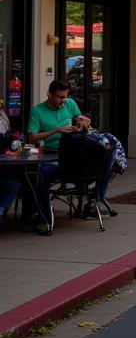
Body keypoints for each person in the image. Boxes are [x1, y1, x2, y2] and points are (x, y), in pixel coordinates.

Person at [25, 79, 82, 233]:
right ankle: (43, 216)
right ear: (49, 95)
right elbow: (32, 138)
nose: (64, 101)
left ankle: (92, 200)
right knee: (41, 173)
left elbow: (79, 119)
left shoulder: (70, 103)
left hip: (71, 154)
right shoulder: (38, 111)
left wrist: (83, 123)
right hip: (51, 153)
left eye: (65, 97)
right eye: (60, 97)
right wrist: (57, 130)